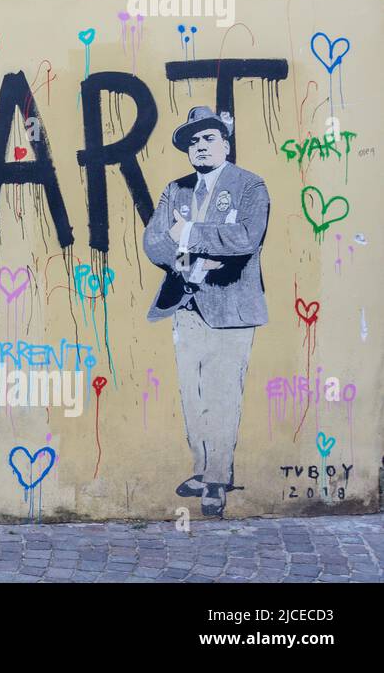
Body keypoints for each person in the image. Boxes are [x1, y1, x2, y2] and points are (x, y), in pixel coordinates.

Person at [142, 107, 270, 519]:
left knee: (222, 394)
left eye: (208, 138)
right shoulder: (175, 190)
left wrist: (190, 233)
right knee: (192, 394)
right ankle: (201, 468)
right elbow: (154, 239)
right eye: (193, 141)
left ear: (226, 145)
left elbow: (245, 239)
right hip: (186, 303)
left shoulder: (250, 186)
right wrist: (185, 262)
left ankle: (217, 478)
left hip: (231, 307)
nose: (200, 146)